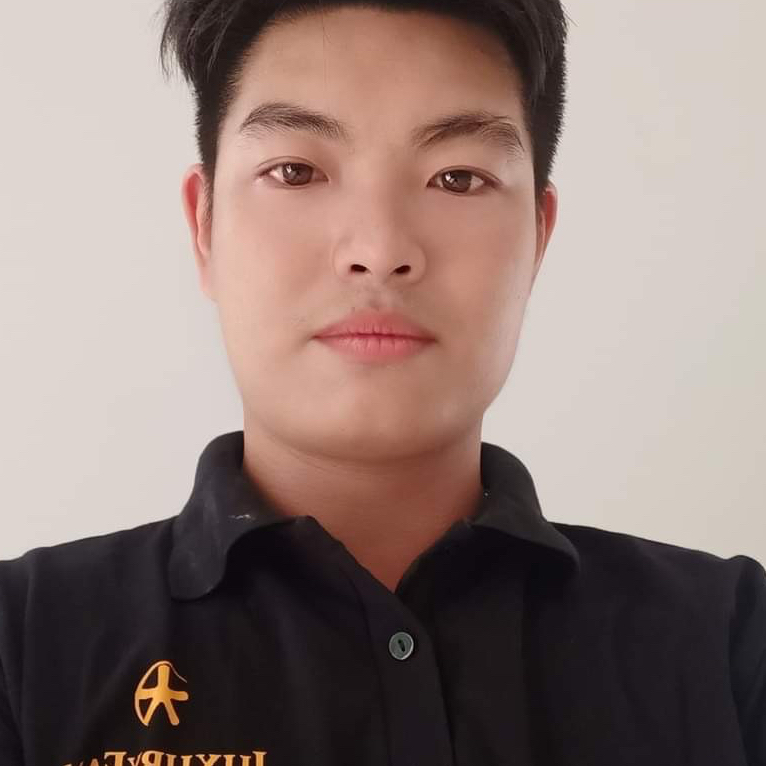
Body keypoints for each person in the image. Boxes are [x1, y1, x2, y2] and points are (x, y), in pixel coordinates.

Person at [1, 1, 764, 764]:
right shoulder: (23, 647)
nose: (378, 247)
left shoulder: (730, 644)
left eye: (457, 178)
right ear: (204, 228)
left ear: (538, 237)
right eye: (296, 171)